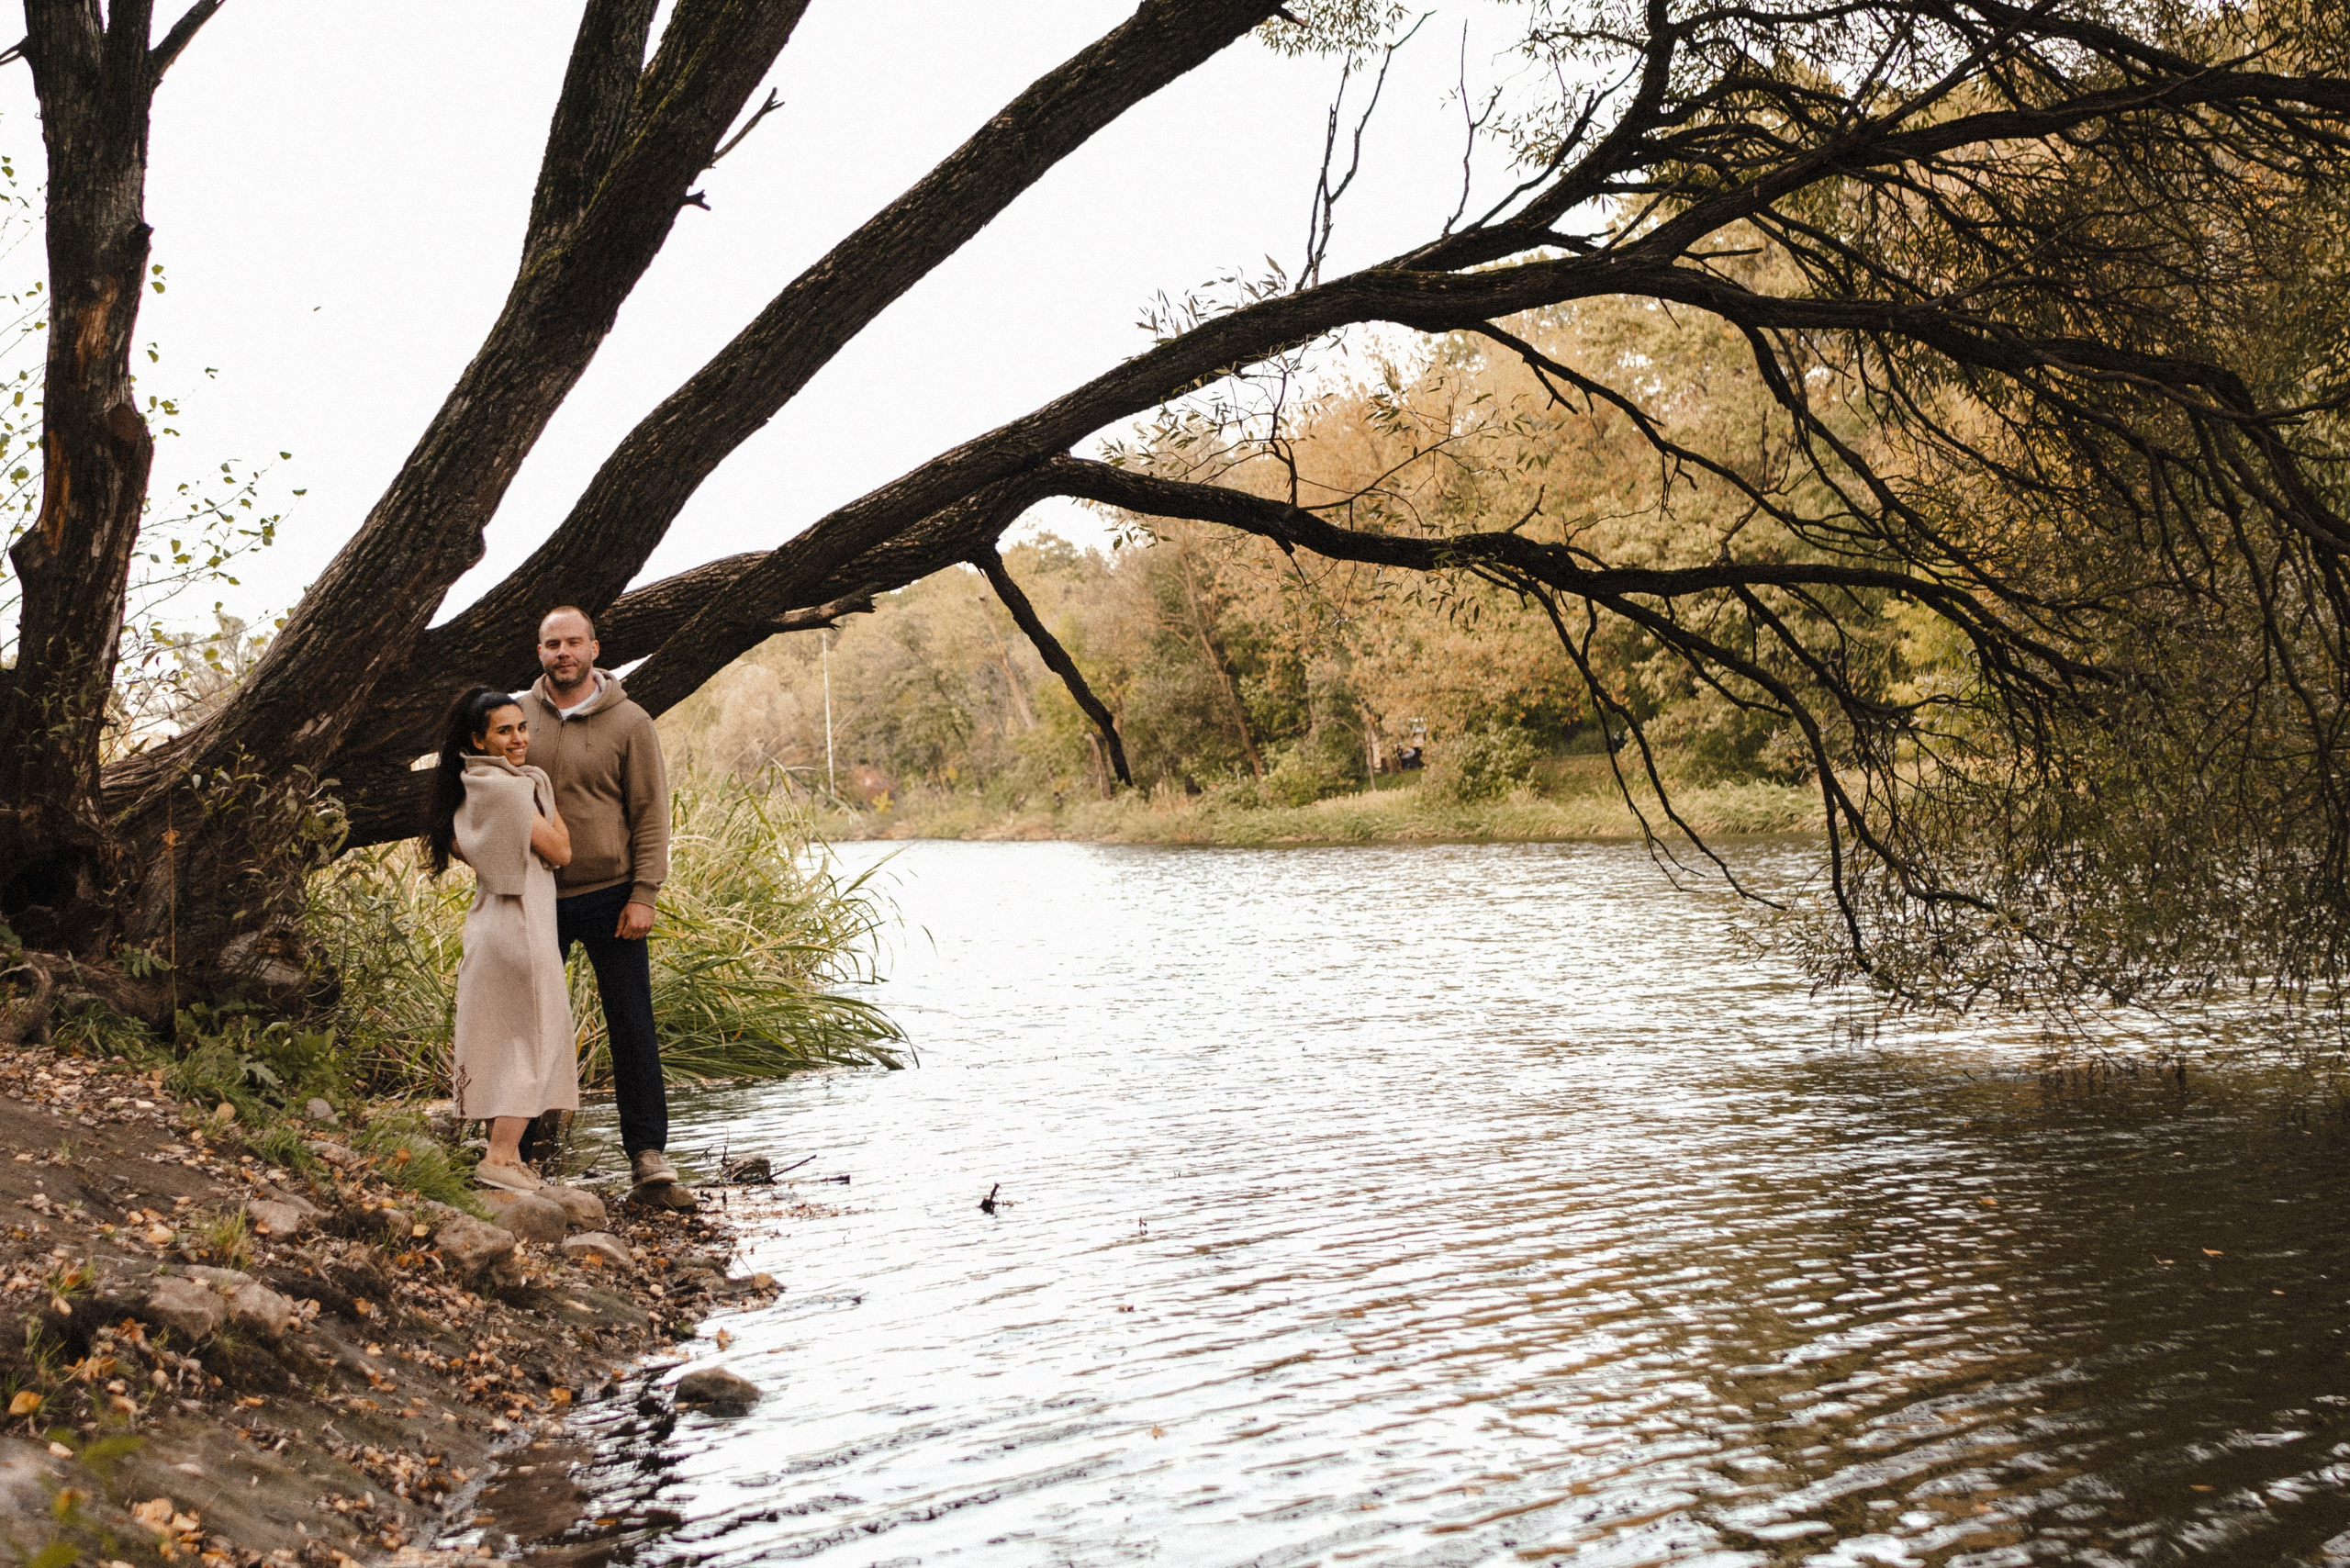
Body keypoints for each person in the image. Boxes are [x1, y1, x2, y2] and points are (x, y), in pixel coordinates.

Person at [520, 605, 694, 1210]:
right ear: (539, 651)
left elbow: (651, 813)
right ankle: (518, 1155)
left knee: (631, 1028)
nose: (562, 652)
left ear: (594, 648)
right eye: (551, 644)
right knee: (530, 1023)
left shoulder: (631, 722)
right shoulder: (516, 718)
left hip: (613, 896)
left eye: (572, 642)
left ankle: (647, 1157)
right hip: (536, 895)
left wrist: (645, 892)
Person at [424, 685, 577, 1193]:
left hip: (493, 924)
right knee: (532, 1038)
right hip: (521, 927)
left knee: (506, 1039)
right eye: (504, 731)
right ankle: (499, 1155)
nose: (518, 739)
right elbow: (561, 849)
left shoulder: (473, 788)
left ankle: (506, 1159)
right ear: (479, 739)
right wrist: (539, 788)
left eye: (522, 727)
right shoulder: (512, 790)